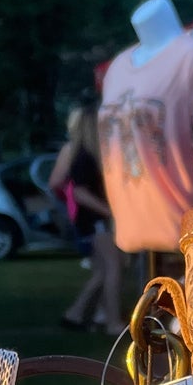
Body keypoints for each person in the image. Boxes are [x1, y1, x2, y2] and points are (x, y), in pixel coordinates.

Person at [50, 103, 125, 334]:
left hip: (88, 219)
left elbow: (59, 184)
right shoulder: (84, 156)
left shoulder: (81, 153)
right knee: (113, 268)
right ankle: (113, 322)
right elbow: (81, 192)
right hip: (95, 220)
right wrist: (109, 211)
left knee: (102, 271)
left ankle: (77, 314)